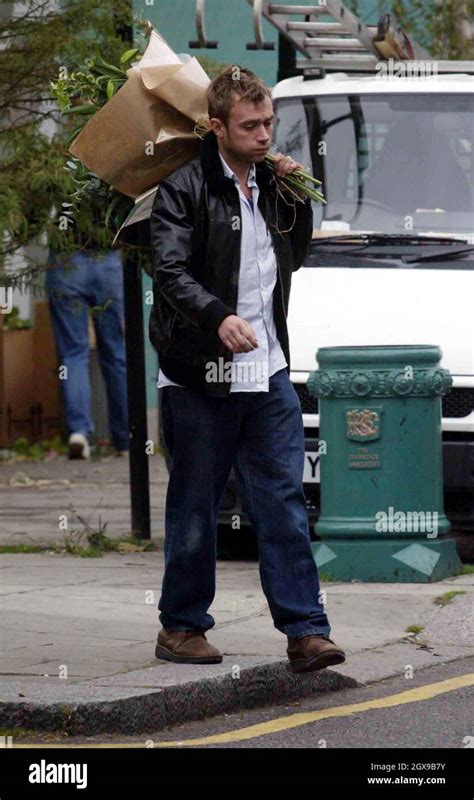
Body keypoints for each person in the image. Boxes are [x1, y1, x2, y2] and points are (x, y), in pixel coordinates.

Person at [149, 65, 345, 674]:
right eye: (251, 125)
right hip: (199, 374)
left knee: (283, 500)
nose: (265, 135)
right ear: (217, 128)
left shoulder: (273, 183)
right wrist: (217, 318)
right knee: (196, 505)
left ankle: (306, 632)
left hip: (269, 371)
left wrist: (294, 191)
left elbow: (294, 252)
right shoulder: (184, 188)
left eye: (269, 123)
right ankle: (181, 627)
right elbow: (170, 271)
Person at [45, 248, 129, 459]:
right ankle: (125, 438)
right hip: (109, 260)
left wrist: (20, 234)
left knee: (73, 354)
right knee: (116, 356)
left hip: (66, 260)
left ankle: (79, 433)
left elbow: (34, 217)